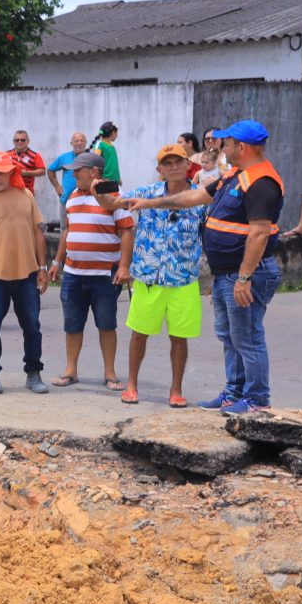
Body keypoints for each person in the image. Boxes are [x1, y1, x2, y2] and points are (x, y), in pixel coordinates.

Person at [122, 120, 281, 414]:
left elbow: (259, 233)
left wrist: (244, 277)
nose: (219, 147)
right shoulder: (235, 174)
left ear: (241, 147)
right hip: (226, 274)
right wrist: (149, 203)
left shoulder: (261, 182)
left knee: (247, 336)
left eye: (226, 143)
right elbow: (195, 197)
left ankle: (257, 399)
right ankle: (234, 392)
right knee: (231, 336)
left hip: (245, 273)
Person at [120, 144, 206, 408]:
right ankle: (131, 384)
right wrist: (100, 192)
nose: (174, 167)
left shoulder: (201, 197)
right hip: (149, 277)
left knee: (179, 338)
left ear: (188, 165)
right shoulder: (146, 193)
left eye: (178, 162)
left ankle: (176, 389)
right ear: (159, 170)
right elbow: (115, 202)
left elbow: (209, 235)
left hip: (183, 278)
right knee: (139, 334)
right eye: (167, 164)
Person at [48, 152, 134, 390]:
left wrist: (124, 267)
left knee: (107, 324)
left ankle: (110, 373)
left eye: (78, 170)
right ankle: (71, 370)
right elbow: (67, 231)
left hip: (104, 275)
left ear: (94, 172)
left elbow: (127, 232)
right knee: (72, 324)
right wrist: (57, 262)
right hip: (74, 274)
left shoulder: (114, 196)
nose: (73, 174)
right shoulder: (73, 197)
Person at [0, 151, 52, 394]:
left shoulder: (26, 196)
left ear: (11, 173)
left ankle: (33, 373)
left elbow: (38, 233)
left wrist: (42, 268)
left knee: (32, 327)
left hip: (27, 275)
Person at [49, 131, 89, 198]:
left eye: (82, 141)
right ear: (71, 143)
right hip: (66, 200)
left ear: (86, 143)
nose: (79, 143)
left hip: (86, 200)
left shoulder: (91, 158)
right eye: (76, 141)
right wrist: (57, 186)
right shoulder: (64, 158)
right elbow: (50, 170)